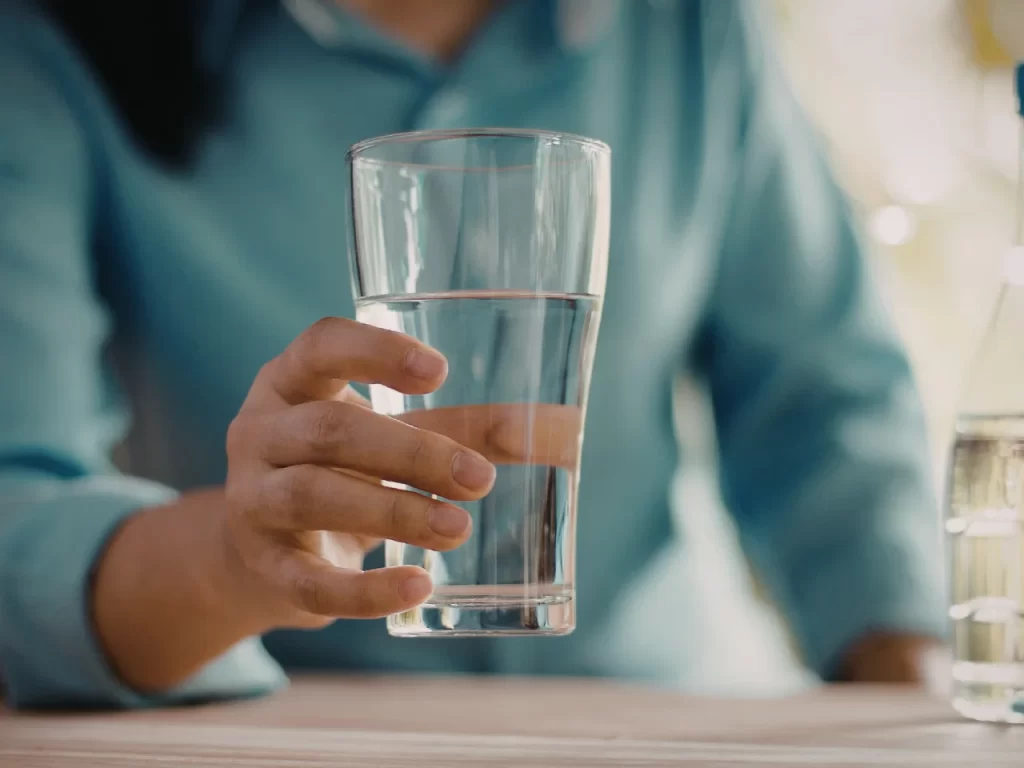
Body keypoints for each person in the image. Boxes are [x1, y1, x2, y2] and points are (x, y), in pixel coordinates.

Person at [0, 0, 947, 709]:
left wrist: (910, 691)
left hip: (663, 710)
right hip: (293, 731)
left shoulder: (688, 25)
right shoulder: (45, 46)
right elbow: (16, 508)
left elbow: (824, 405)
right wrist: (232, 560)